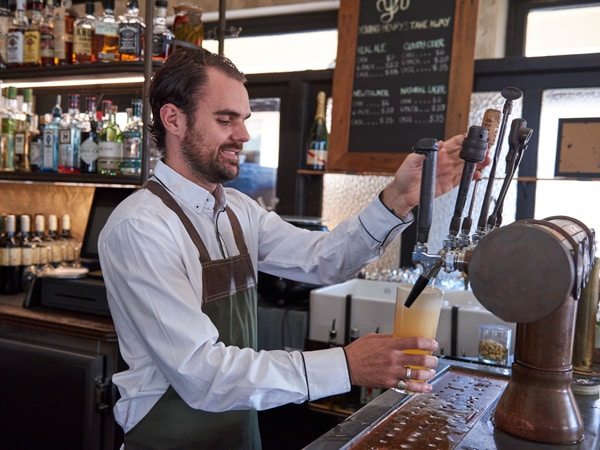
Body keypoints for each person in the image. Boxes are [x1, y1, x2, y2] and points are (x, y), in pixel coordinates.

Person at [98, 46, 487, 449]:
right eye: (225, 119)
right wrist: (346, 365)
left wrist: (399, 198)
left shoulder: (238, 211)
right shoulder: (141, 228)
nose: (244, 135)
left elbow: (324, 260)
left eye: (244, 120)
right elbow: (202, 374)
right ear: (173, 119)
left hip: (239, 434)